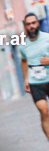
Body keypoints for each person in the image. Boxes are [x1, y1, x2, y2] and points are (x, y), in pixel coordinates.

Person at [19, 12, 49, 141]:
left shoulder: (47, 38)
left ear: (38, 23)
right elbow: (24, 61)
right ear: (25, 26)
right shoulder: (23, 46)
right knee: (43, 111)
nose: (31, 26)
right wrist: (26, 78)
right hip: (35, 82)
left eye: (33, 23)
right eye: (28, 24)